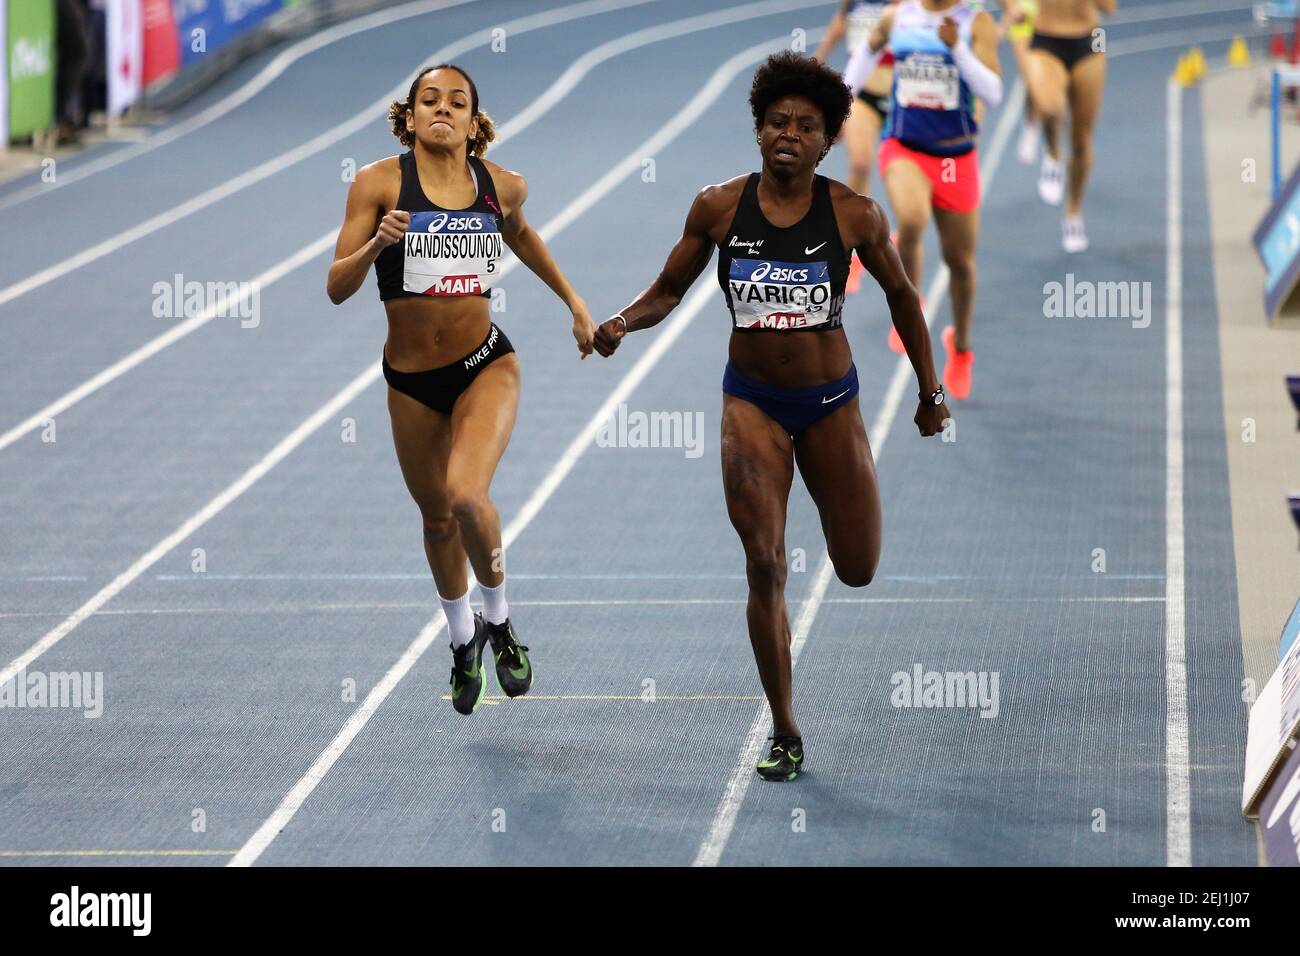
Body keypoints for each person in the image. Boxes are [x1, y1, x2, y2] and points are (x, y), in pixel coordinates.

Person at [593, 53, 949, 781]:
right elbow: (667, 290)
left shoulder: (854, 213)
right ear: (758, 131)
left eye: (806, 126)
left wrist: (930, 391)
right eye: (778, 121)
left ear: (826, 142)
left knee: (857, 568)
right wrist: (623, 323)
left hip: (830, 405)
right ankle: (785, 727)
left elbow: (906, 300)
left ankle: (790, 704)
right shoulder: (718, 207)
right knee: (763, 564)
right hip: (750, 403)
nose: (789, 133)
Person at [326, 64, 596, 714]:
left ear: (476, 124)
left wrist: (575, 302)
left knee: (467, 498)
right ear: (409, 117)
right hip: (412, 382)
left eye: (457, 102)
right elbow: (336, 286)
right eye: (429, 100)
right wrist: (374, 247)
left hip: (485, 364)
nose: (442, 109)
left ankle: (500, 621)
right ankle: (461, 639)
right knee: (437, 519)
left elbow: (521, 235)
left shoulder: (501, 185)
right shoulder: (379, 184)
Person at [844, 0, 1001, 398]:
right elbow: (869, 49)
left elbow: (994, 92)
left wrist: (958, 50)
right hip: (904, 147)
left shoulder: (975, 21)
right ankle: (907, 311)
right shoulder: (899, 16)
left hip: (955, 157)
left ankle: (961, 348)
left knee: (959, 262)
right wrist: (842, 99)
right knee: (911, 222)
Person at [811, 2, 900, 295]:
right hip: (862, 95)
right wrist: (821, 54)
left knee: (898, 173)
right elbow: (841, 21)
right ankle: (854, 241)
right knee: (861, 165)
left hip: (902, 98)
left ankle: (893, 234)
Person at [1024, 0, 1113, 252]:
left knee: (1082, 141)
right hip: (1045, 37)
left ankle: (1073, 211)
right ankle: (1052, 154)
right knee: (1051, 108)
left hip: (1093, 38)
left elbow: (1109, 8)